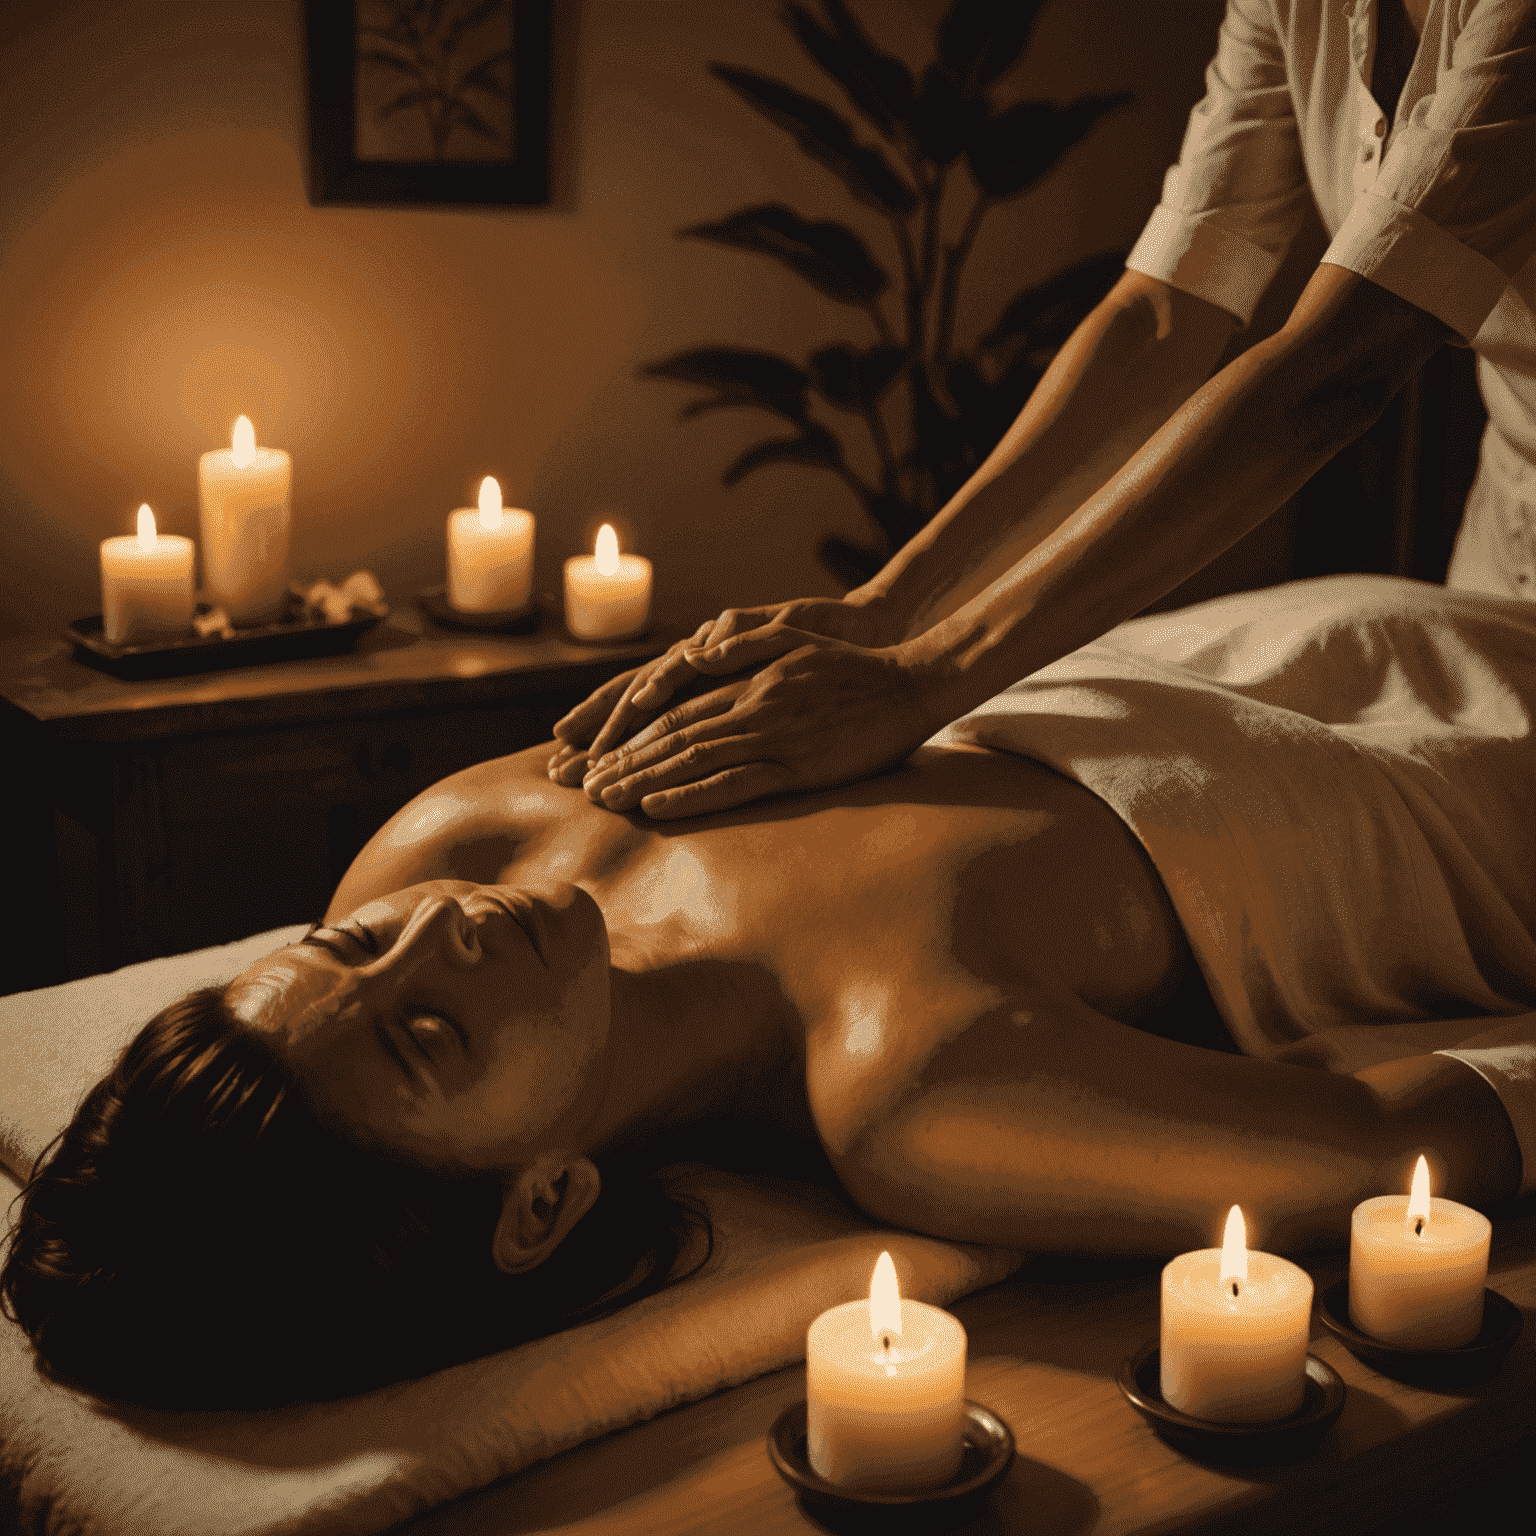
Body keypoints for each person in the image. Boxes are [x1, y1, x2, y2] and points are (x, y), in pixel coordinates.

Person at [4, 578, 1530, 1407]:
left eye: (347, 950)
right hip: (1462, 787)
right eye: (425, 1036)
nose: (433, 937)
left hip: (1270, 627)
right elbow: (1384, 1140)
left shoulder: (450, 843)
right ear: (536, 1207)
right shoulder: (918, 1093)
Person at [548, 0, 1536, 821]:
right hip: (1505, 536)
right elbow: (1164, 313)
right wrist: (887, 612)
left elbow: (1337, 367)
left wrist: (931, 677)